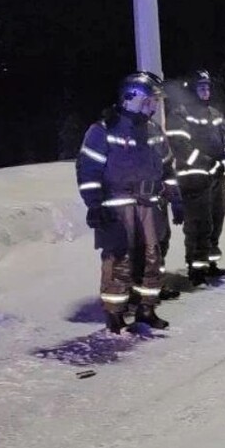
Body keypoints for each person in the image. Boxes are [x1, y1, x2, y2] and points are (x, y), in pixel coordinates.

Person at [75, 72, 180, 333]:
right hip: (117, 207)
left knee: (152, 258)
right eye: (149, 100)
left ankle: (147, 308)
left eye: (155, 101)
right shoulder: (102, 131)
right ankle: (115, 314)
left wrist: (176, 200)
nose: (153, 106)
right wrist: (95, 205)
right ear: (130, 98)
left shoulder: (154, 131)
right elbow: (88, 171)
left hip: (150, 206)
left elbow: (168, 168)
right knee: (118, 259)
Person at [166, 69, 225, 285]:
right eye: (201, 87)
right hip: (194, 179)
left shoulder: (214, 114)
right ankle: (196, 269)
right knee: (199, 225)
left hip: (216, 178)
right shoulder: (180, 113)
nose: (206, 91)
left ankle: (211, 264)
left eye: (208, 87)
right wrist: (207, 162)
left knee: (216, 223)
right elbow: (180, 146)